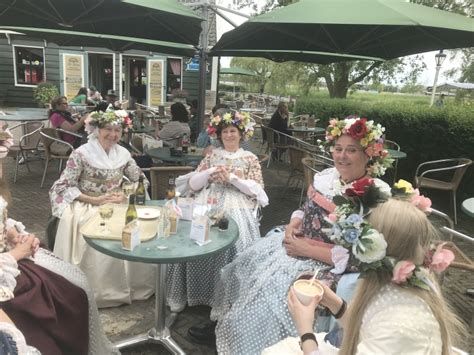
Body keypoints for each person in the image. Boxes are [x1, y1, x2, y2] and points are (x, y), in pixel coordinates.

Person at [197, 117, 393, 353]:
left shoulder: (376, 196)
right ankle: (227, 323)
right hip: (296, 244)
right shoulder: (327, 177)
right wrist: (294, 223)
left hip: (323, 261)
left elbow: (366, 256)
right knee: (243, 266)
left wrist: (306, 250)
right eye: (338, 148)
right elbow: (304, 208)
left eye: (351, 150)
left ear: (368, 154)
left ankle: (252, 340)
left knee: (271, 298)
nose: (341, 156)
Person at [265, 196, 465, 355]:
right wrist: (335, 303)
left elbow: (384, 327)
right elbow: (370, 323)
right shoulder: (402, 282)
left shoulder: (401, 323)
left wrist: (305, 329)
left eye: (360, 238)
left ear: (376, 250)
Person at [50, 108, 155, 307]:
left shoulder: (123, 153)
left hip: (117, 203)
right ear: (97, 129)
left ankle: (130, 286)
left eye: (117, 130)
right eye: (108, 129)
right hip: (88, 204)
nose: (113, 135)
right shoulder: (81, 154)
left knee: (134, 227)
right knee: (93, 230)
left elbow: (140, 179)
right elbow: (64, 185)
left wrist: (125, 194)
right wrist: (94, 200)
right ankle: (98, 291)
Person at [167, 109, 269, 314]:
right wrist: (210, 173)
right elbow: (194, 184)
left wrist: (233, 179)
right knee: (194, 239)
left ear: (241, 134)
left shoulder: (250, 158)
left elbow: (259, 192)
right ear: (219, 135)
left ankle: (223, 298)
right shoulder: (212, 155)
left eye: (233, 131)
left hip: (237, 204)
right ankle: (192, 291)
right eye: (225, 132)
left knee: (232, 244)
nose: (229, 135)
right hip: (209, 200)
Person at [0, 179, 117, 354]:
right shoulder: (83, 154)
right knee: (57, 305)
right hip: (6, 275)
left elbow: (4, 218)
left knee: (75, 289)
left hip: (11, 259)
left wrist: (12, 233)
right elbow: (60, 187)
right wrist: (18, 253)